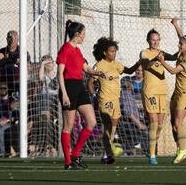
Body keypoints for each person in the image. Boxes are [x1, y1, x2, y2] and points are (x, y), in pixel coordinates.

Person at [56, 20, 104, 170]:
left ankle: (76, 154)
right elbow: (59, 73)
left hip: (80, 87)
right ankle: (68, 162)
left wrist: (98, 72)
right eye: (83, 34)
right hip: (68, 87)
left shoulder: (77, 50)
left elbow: (86, 69)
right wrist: (64, 94)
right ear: (77, 34)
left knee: (91, 122)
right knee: (68, 127)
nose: (84, 37)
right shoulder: (65, 49)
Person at [157, 17, 186, 164]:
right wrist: (175, 25)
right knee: (173, 122)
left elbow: (174, 71)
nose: (179, 45)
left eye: (181, 44)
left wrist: (162, 61)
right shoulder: (182, 52)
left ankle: (183, 150)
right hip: (177, 92)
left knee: (178, 121)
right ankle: (180, 148)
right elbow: (182, 37)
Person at [92, 37, 141, 164]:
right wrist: (93, 96)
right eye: (111, 51)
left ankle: (105, 154)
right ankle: (106, 154)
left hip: (115, 100)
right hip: (105, 100)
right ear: (105, 52)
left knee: (113, 127)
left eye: (115, 51)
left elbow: (129, 71)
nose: (114, 53)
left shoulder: (116, 65)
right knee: (107, 126)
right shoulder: (99, 66)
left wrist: (139, 63)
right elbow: (90, 83)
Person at [140, 27, 179, 165]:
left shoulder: (161, 53)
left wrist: (183, 46)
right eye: (153, 40)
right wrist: (157, 58)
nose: (155, 42)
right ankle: (152, 154)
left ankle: (151, 146)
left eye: (157, 40)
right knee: (154, 121)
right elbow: (147, 64)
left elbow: (174, 57)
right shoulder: (144, 53)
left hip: (162, 91)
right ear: (148, 40)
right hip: (150, 91)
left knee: (161, 124)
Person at [0, 30, 31, 95]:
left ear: (18, 39)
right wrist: (4, 60)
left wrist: (21, 64)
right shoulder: (1, 51)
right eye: (10, 38)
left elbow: (29, 66)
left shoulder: (23, 52)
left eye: (14, 38)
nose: (12, 41)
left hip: (19, 82)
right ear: (6, 39)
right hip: (4, 82)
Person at [38, 54, 59, 157]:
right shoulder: (44, 77)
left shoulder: (59, 74)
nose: (49, 64)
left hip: (57, 101)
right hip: (47, 101)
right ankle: (47, 147)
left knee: (59, 124)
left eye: (50, 62)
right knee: (46, 124)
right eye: (46, 63)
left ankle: (56, 147)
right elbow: (40, 77)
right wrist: (42, 64)